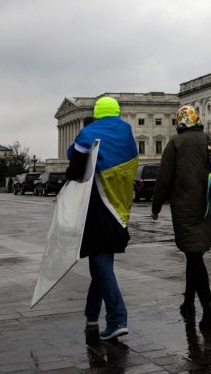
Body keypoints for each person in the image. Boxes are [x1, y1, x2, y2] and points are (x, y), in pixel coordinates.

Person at [65, 96, 138, 341]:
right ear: (117, 113)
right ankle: (92, 315)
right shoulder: (127, 132)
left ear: (96, 113)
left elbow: (75, 171)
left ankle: (117, 318)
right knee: (101, 261)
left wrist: (72, 153)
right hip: (121, 208)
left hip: (99, 207)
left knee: (100, 262)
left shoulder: (88, 133)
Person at [151, 105, 211, 329]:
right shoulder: (209, 141)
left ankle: (208, 306)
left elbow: (163, 180)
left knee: (194, 256)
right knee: (193, 254)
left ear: (181, 122)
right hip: (206, 207)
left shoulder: (175, 144)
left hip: (184, 208)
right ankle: (188, 302)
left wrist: (156, 206)